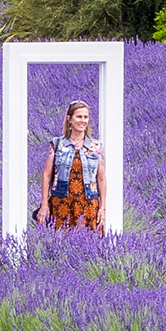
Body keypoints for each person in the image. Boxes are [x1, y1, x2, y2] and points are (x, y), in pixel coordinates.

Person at [33, 99, 106, 234]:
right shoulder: (57, 144)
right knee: (60, 244)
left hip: (88, 204)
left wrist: (102, 207)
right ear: (69, 119)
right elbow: (46, 175)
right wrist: (44, 204)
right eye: (79, 117)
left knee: (89, 245)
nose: (82, 121)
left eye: (85, 117)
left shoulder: (95, 147)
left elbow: (101, 179)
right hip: (62, 203)